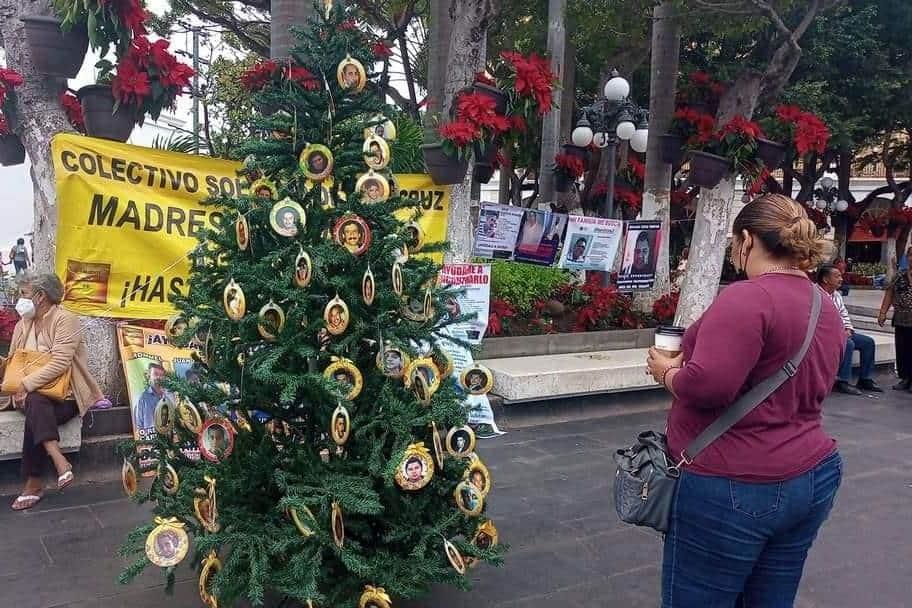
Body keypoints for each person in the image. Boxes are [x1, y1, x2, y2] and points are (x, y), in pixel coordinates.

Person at [645, 194, 844, 606]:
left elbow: (707, 387)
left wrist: (666, 372)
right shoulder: (822, 304)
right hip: (811, 473)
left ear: (747, 240)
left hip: (735, 484)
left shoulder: (747, 297)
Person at [2, 273, 106, 510]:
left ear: (40, 297)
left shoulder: (64, 319)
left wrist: (26, 386)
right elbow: (14, 362)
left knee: (35, 405)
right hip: (28, 397)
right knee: (35, 404)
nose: (21, 299)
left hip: (65, 396)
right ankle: (60, 462)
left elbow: (60, 362)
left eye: (25, 294)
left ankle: (34, 483)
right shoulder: (22, 325)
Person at [816, 265, 882, 395]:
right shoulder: (815, 294)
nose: (841, 279)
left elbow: (844, 314)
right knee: (848, 344)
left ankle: (865, 379)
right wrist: (839, 334)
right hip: (822, 335)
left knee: (868, 342)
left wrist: (848, 329)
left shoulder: (836, 295)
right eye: (837, 276)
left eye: (841, 276)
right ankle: (842, 381)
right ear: (825, 279)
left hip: (840, 332)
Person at [878, 261, 912, 390]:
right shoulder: (899, 275)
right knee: (903, 349)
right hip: (901, 319)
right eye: (911, 255)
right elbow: (889, 294)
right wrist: (882, 313)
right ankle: (905, 378)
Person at [136, 362, 170, 433]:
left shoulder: (169, 396)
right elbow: (139, 424)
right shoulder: (143, 398)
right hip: (151, 439)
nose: (158, 377)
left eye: (161, 375)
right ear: (149, 376)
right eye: (155, 374)